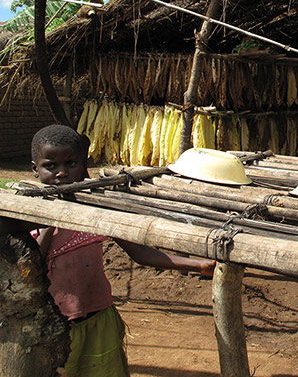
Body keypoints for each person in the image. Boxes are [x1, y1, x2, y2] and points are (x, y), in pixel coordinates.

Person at [14, 124, 216, 377]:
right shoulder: (25, 214)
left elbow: (141, 253)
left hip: (99, 319)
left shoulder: (95, 211)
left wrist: (198, 265)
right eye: (51, 166)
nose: (62, 173)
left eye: (71, 164)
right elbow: (30, 267)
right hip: (55, 325)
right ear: (35, 169)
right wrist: (50, 220)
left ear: (83, 165)